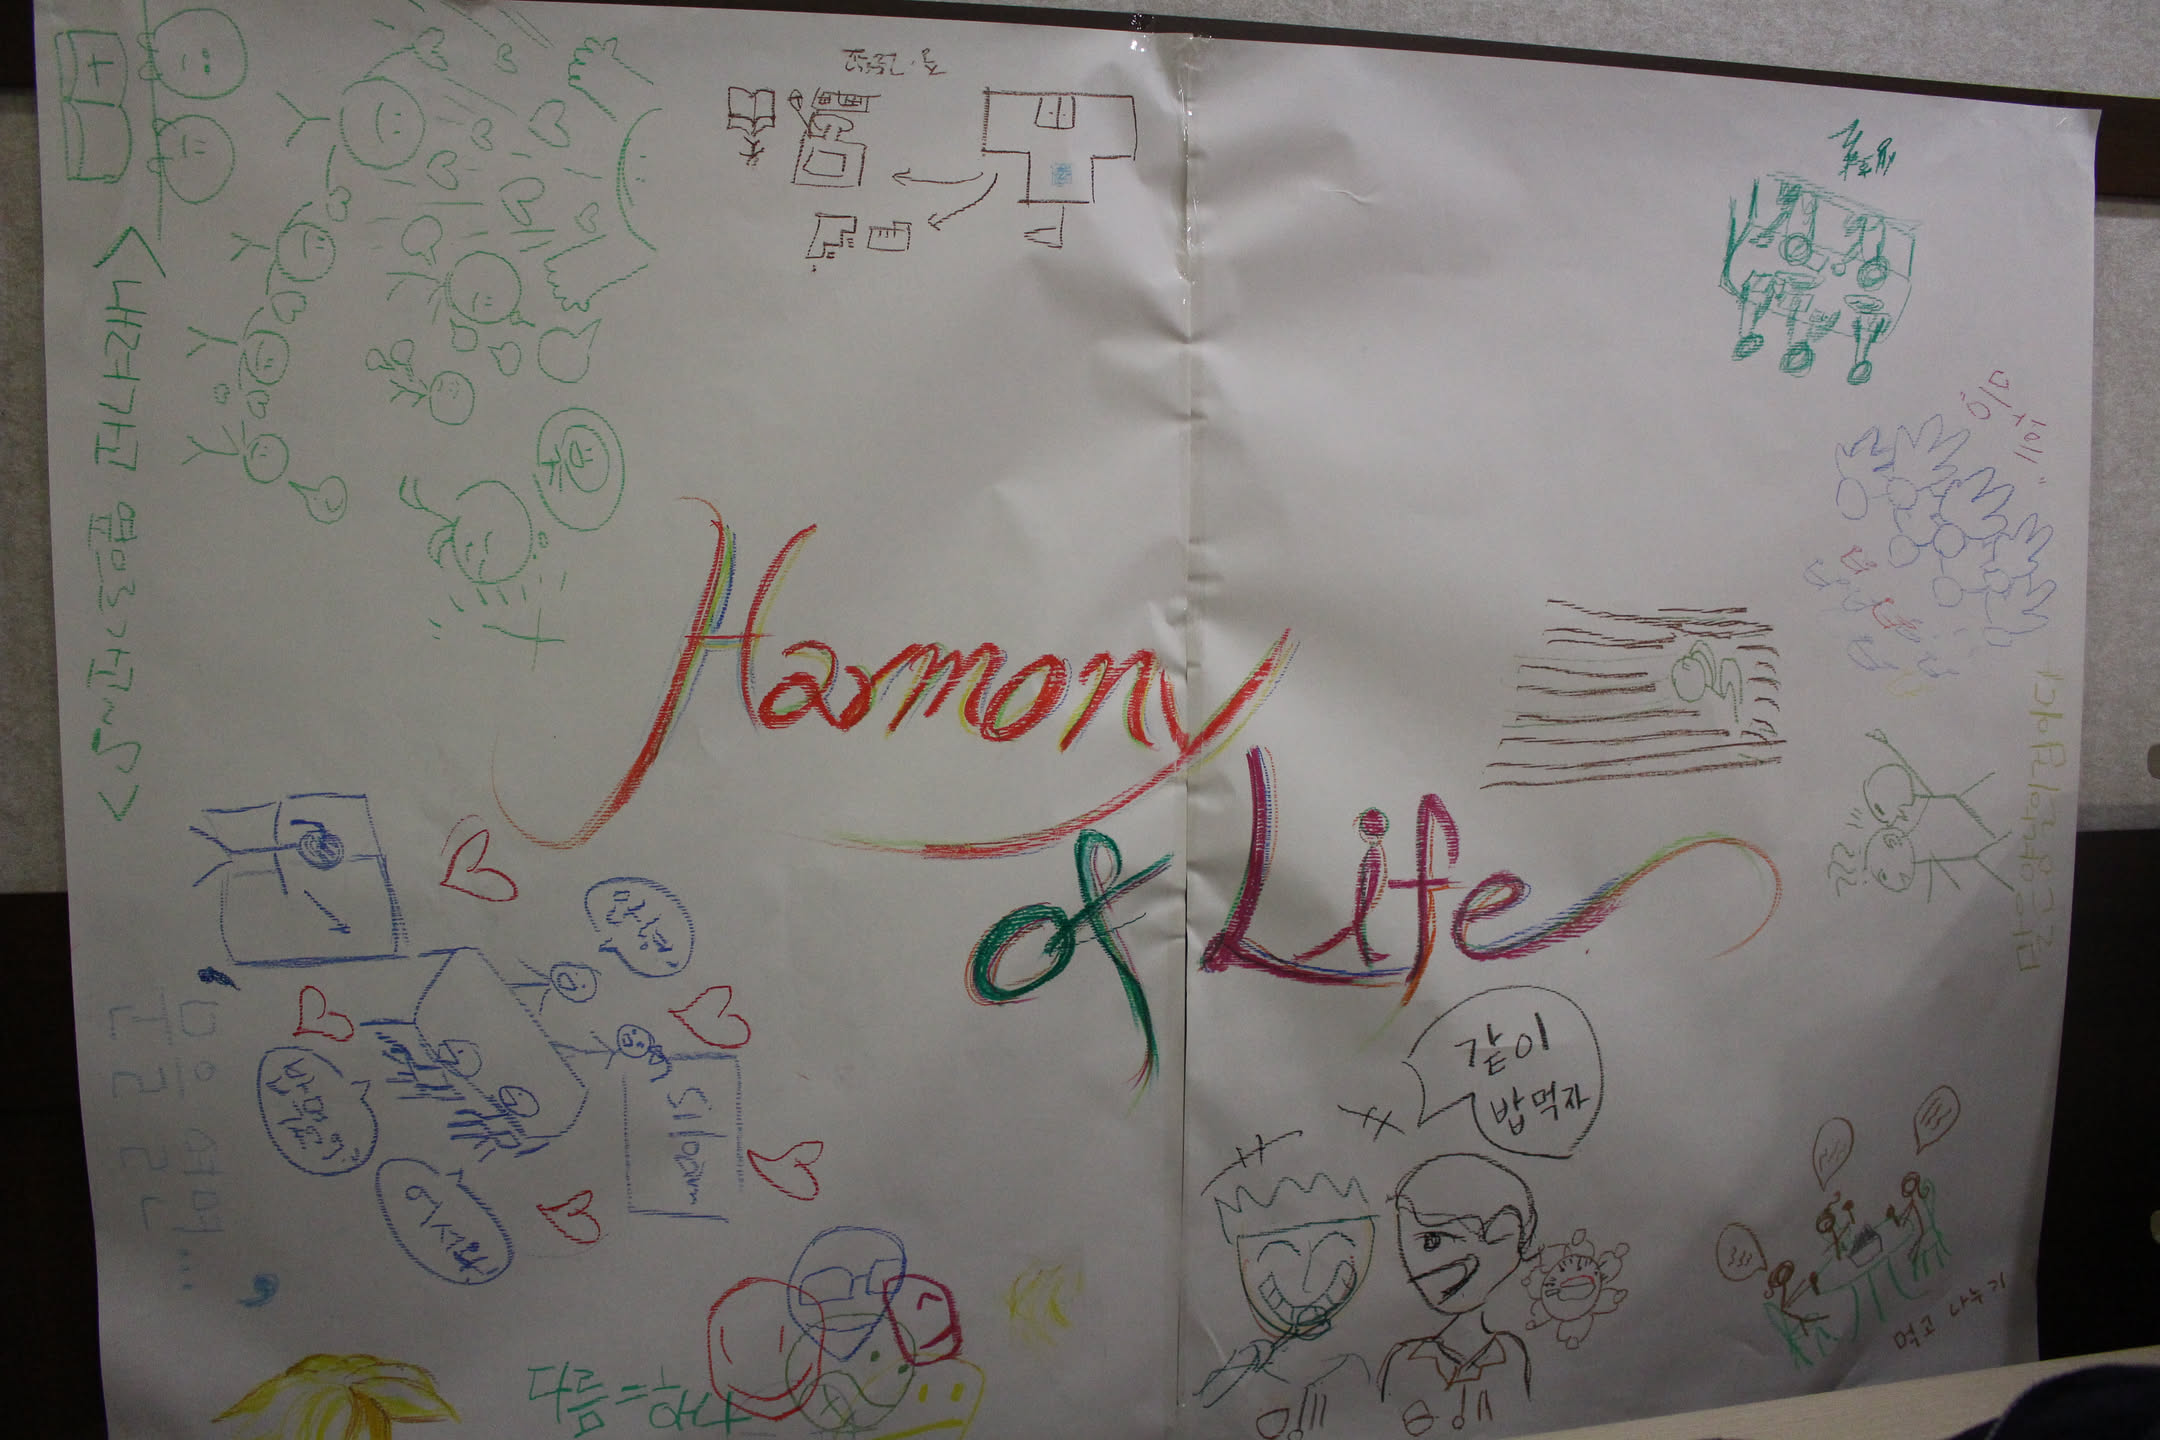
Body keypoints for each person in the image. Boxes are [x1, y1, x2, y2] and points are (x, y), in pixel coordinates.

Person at [1378, 1153, 1537, 1414]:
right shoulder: (1405, 1361)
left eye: (1432, 1241)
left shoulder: (1511, 1354)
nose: (1416, 1264)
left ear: (1504, 1234)